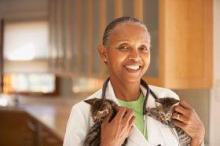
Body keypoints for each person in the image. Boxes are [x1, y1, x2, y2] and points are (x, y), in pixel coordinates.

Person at [63, 17, 205, 146]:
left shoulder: (167, 99)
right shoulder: (83, 113)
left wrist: (198, 137)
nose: (135, 57)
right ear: (104, 53)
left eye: (143, 48)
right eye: (124, 47)